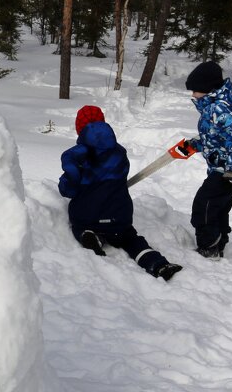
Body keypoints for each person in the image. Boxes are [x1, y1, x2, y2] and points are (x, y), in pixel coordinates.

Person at [59, 105, 183, 281]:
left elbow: (68, 190)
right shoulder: (119, 152)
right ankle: (158, 264)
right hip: (119, 216)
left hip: (88, 216)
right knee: (131, 239)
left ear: (79, 128)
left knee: (80, 224)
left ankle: (89, 235)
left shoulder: (76, 156)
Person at [171, 61, 232, 259]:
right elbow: (214, 138)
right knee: (218, 208)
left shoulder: (221, 109)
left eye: (195, 90)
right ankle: (219, 243)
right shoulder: (212, 108)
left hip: (227, 171)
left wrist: (231, 170)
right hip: (222, 168)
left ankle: (208, 246)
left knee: (204, 205)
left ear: (208, 89)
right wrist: (192, 145)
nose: (193, 95)